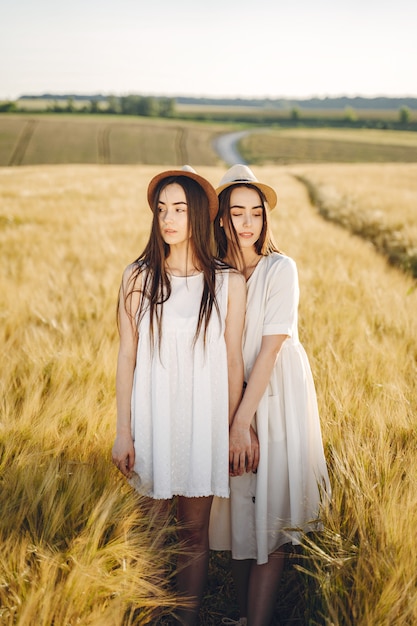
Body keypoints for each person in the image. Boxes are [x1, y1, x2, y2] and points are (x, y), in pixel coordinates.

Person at [111, 166, 246, 626]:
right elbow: (126, 357)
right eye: (162, 209)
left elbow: (232, 363)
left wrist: (231, 432)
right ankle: (145, 616)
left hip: (203, 424)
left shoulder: (228, 283)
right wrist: (123, 431)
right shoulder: (137, 278)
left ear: (201, 215)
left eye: (180, 209)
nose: (168, 219)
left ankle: (186, 618)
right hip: (152, 423)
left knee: (193, 532)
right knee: (147, 532)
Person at [209, 164, 331, 626]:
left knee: (271, 512)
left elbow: (271, 347)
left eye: (255, 213)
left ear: (264, 219)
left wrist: (244, 422)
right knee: (241, 507)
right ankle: (243, 616)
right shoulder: (215, 275)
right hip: (231, 395)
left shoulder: (281, 268)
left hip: (276, 395)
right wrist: (231, 416)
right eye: (236, 212)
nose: (246, 223)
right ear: (221, 218)